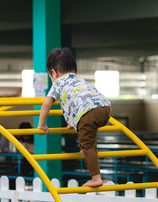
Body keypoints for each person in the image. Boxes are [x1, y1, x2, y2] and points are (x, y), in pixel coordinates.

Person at [37, 48, 111, 187]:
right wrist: (75, 122)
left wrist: (42, 124)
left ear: (53, 73)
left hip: (88, 112)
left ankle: (96, 178)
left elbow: (46, 105)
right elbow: (75, 101)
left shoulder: (58, 83)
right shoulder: (78, 79)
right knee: (87, 132)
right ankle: (85, 147)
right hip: (105, 108)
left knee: (87, 143)